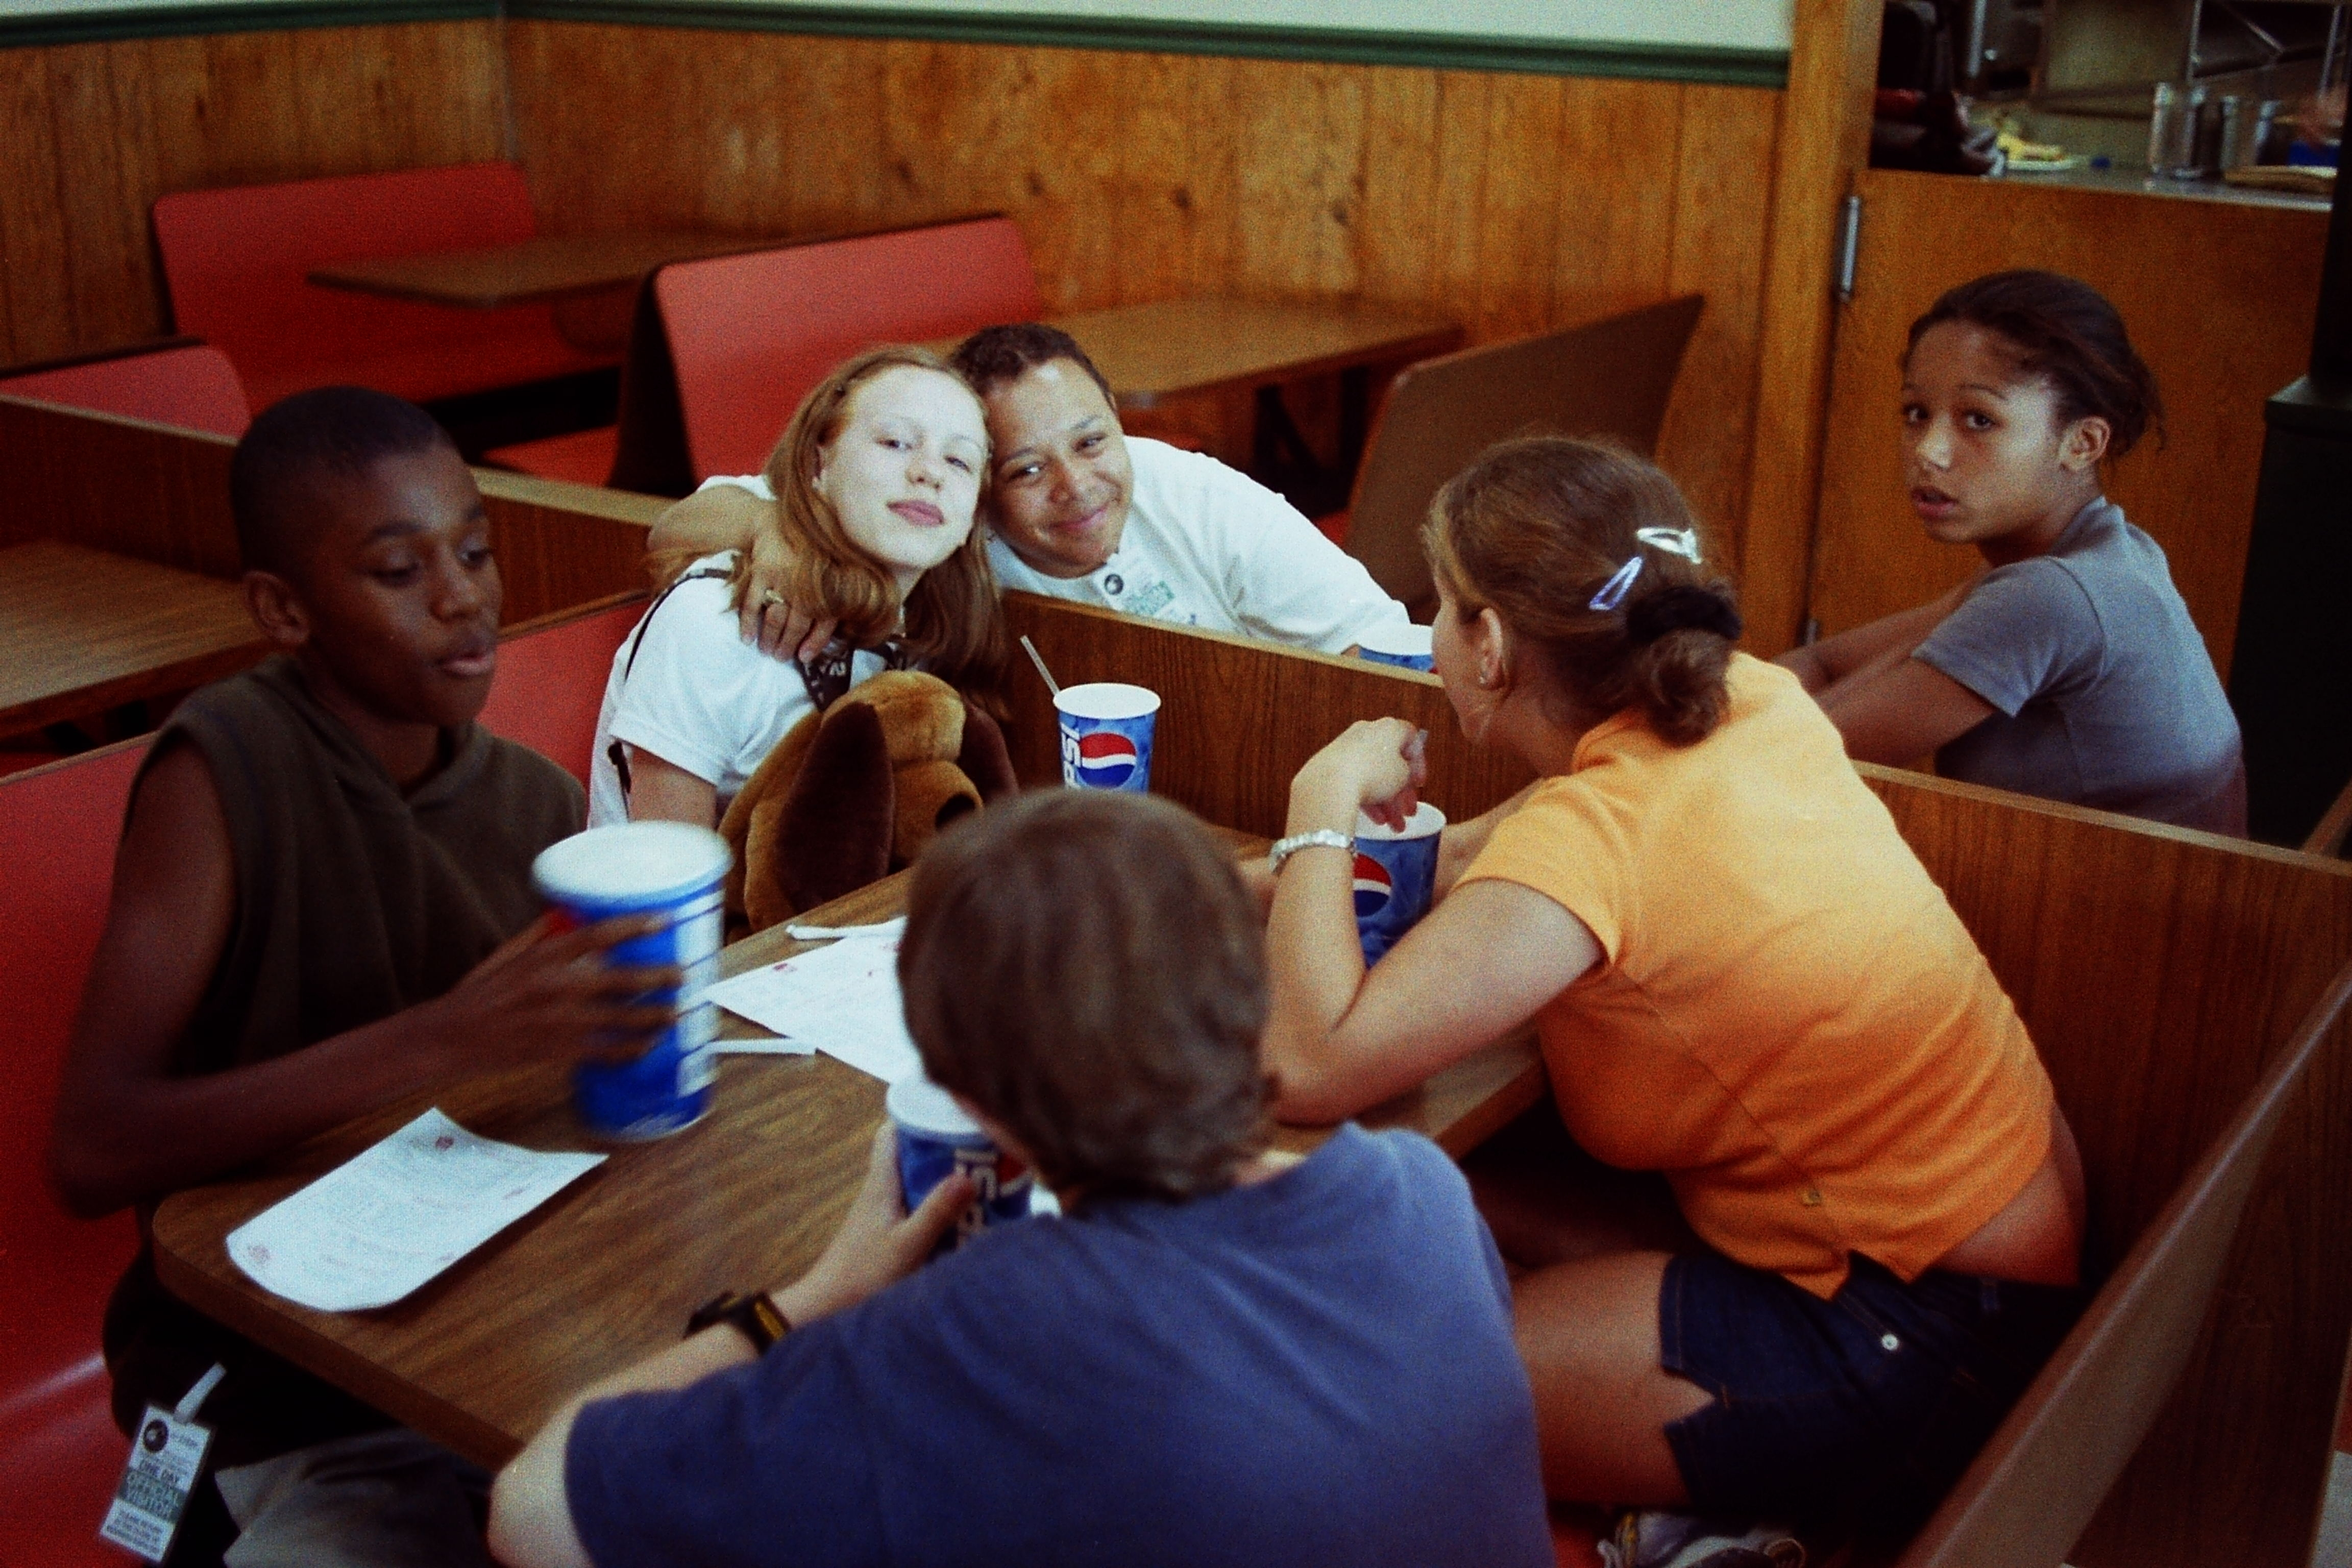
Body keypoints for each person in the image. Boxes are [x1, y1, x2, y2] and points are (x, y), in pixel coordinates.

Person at [1258, 436, 2086, 1541]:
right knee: (1402, 1195)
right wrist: (1194, 883)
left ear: (1490, 646)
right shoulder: (1744, 701)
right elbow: (1458, 860)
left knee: (1349, 1374)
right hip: (1990, 1256)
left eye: (1441, 606)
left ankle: (1738, 1511)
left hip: (1918, 1336)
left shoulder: (1592, 839)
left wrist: (1322, 795)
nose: (1434, 632)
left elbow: (1310, 1065)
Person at [485, 790, 1554, 1568]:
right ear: (1253, 999)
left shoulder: (994, 1323)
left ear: (971, 1100)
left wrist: (814, 1298)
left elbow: (530, 1510)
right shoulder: (1421, 1193)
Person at [48, 387, 676, 1566]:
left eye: (474, 551)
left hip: (483, 1341)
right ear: (285, 609)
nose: (462, 596)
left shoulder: (533, 802)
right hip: (263, 1375)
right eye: (399, 569)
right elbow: (91, 1149)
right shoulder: (223, 772)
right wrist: (445, 1037)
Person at [1776, 269, 2244, 835]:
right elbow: (1823, 665)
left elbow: (1796, 759)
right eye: (1917, 413)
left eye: (1979, 420)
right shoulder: (2091, 557)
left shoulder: (2055, 596)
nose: (1929, 451)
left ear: (2082, 443)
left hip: (2115, 893)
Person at [647, 323, 1411, 660]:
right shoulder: (937, 514)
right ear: (977, 481)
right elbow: (677, 525)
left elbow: (1383, 641)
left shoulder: (1197, 494)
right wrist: (776, 529)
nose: (1077, 488)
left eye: (1092, 442)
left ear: (1118, 420)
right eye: (1027, 470)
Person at [587, 346, 1006, 829]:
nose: (930, 473)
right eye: (894, 443)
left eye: (959, 461)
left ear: (972, 518)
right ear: (817, 466)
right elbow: (667, 867)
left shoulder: (934, 625)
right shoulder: (713, 621)